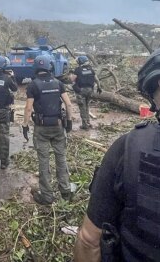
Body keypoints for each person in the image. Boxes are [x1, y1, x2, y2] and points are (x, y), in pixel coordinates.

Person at [74, 48, 160, 262]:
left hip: (81, 94)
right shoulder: (91, 71)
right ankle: (86, 122)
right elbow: (95, 83)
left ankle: (84, 121)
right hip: (89, 91)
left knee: (82, 108)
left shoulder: (128, 148)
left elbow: (88, 240)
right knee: (85, 110)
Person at [22, 55, 73, 205]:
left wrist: (25, 125)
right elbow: (69, 105)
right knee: (61, 158)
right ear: (50, 66)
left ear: (36, 68)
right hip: (58, 126)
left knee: (43, 161)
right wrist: (69, 122)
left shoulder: (33, 85)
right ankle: (65, 192)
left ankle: (47, 196)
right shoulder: (58, 83)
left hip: (41, 129)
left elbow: (28, 108)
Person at [70, 55, 102, 130]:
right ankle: (88, 122)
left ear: (80, 62)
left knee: (82, 107)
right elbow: (96, 80)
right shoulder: (91, 69)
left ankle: (85, 125)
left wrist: (71, 76)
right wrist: (99, 87)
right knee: (87, 106)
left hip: (81, 91)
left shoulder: (78, 70)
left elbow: (72, 80)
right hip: (90, 90)